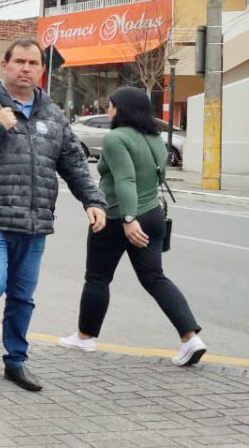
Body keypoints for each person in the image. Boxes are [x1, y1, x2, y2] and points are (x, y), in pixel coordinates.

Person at [0, 38, 106, 395]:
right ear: (5, 65)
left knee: (23, 296)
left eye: (33, 63)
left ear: (41, 70)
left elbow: (73, 162)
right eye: (19, 62)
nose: (25, 69)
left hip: (33, 222)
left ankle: (16, 360)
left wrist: (93, 200)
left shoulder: (52, 113)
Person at [58, 87, 206, 366]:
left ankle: (85, 336)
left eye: (111, 106)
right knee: (155, 278)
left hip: (118, 216)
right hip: (153, 215)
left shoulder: (116, 138)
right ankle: (191, 338)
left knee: (98, 277)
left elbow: (125, 180)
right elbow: (158, 175)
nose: (109, 110)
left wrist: (128, 219)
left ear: (120, 109)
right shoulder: (154, 138)